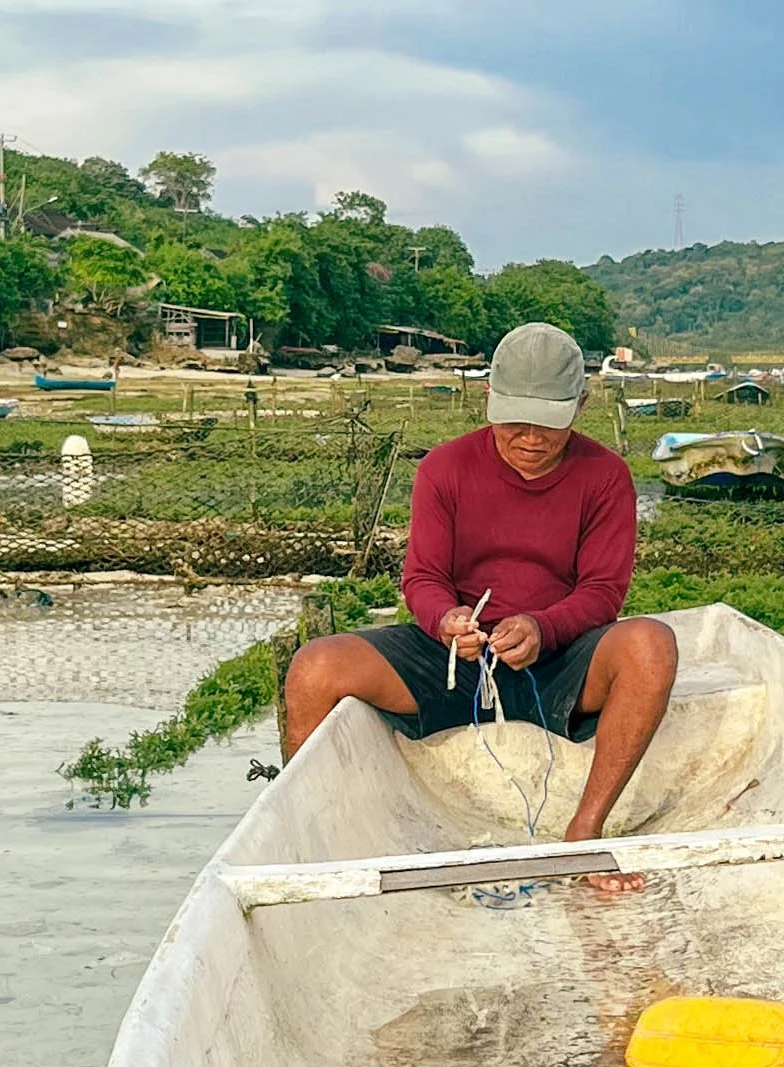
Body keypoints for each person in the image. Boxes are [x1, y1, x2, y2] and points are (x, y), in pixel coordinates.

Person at [281, 322, 678, 847]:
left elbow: (603, 592)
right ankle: (308, 837)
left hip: (560, 663)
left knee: (651, 646)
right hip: (456, 661)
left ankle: (584, 830)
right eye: (515, 421)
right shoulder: (445, 468)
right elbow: (423, 577)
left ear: (580, 406)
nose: (531, 438)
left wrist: (543, 627)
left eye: (549, 423)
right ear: (489, 398)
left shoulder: (605, 477)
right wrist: (446, 620)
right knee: (315, 668)